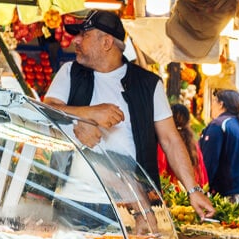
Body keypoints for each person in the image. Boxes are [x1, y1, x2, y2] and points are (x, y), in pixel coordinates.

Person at [44, 10, 213, 219]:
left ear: (106, 43)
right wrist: (87, 114)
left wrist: (193, 190)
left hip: (130, 206)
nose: (76, 40)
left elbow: (170, 139)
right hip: (73, 201)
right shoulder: (70, 72)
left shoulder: (149, 84)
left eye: (84, 35)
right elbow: (46, 111)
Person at [200, 89, 239, 207]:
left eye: (213, 102)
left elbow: (209, 161)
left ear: (221, 104)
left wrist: (201, 190)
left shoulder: (218, 125)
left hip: (229, 195)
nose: (211, 107)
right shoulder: (238, 124)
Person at [157, 102, 207, 189]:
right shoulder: (194, 145)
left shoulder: (165, 143)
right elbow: (203, 178)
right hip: (192, 195)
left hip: (172, 197)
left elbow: (160, 174)